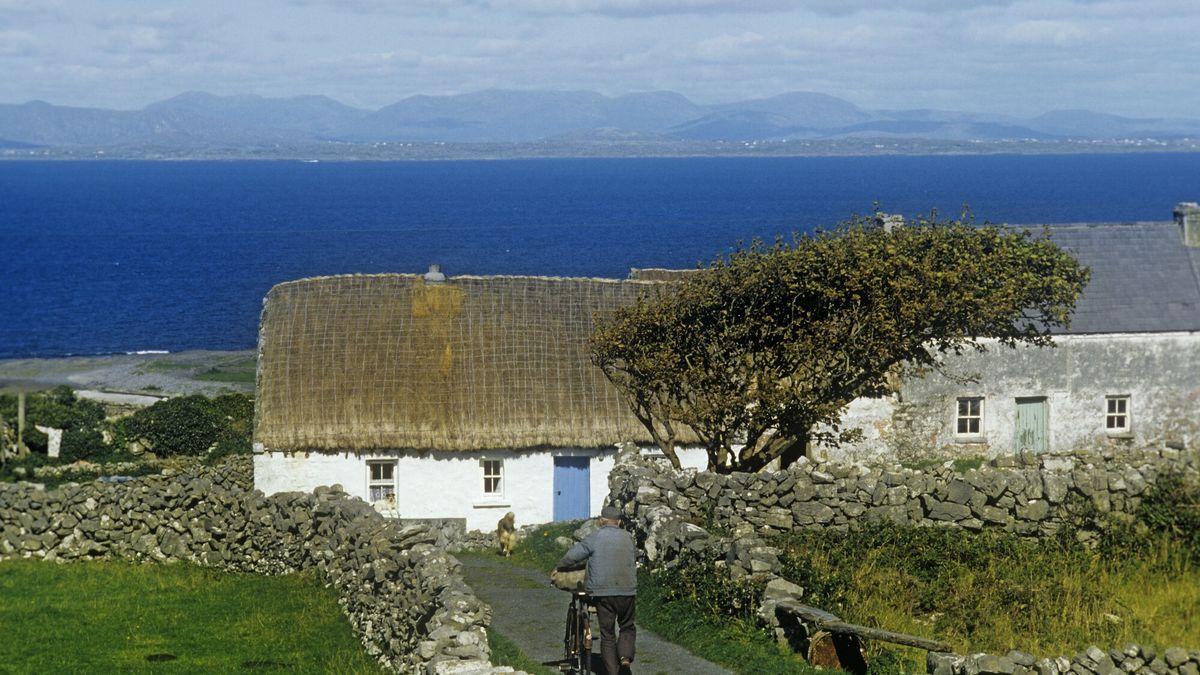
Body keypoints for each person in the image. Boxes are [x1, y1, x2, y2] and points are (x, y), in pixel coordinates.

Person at [556, 505, 637, 675]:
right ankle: (625, 659)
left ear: (601, 521)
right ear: (620, 522)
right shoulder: (628, 537)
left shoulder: (595, 537)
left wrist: (560, 566)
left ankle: (613, 672)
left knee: (607, 634)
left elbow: (572, 556)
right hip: (627, 591)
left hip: (602, 594)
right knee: (627, 626)